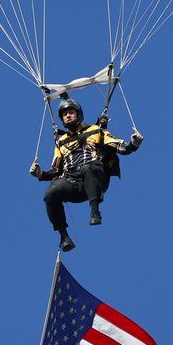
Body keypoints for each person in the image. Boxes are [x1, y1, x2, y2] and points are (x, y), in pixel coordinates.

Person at [29, 98, 143, 251]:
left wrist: (133, 144)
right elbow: (56, 169)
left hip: (93, 178)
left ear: (79, 114)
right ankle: (64, 237)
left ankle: (95, 211)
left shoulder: (95, 130)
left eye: (71, 112)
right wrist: (40, 174)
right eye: (64, 115)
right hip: (71, 183)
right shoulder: (61, 141)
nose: (68, 116)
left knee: (87, 168)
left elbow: (118, 146)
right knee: (50, 193)